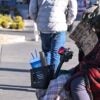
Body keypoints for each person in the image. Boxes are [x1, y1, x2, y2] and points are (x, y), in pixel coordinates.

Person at [29, 0, 77, 72]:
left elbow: (32, 10)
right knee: (56, 53)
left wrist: (39, 21)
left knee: (46, 52)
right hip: (59, 26)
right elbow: (73, 10)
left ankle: (46, 77)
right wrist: (68, 21)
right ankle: (53, 78)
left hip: (44, 27)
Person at [65, 14, 100, 100]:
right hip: (90, 70)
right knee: (63, 75)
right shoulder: (95, 39)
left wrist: (85, 69)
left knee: (77, 84)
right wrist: (81, 48)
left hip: (94, 74)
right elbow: (84, 59)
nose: (95, 30)